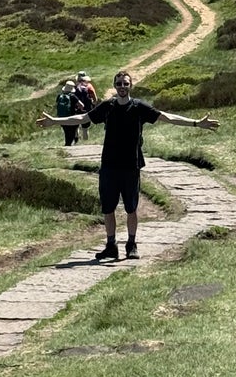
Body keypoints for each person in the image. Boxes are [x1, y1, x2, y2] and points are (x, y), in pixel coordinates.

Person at [38, 68, 217, 262]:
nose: (122, 86)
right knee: (108, 208)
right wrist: (55, 121)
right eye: (119, 83)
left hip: (131, 166)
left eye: (125, 83)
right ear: (115, 86)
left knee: (131, 208)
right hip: (108, 166)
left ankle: (131, 244)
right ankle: (110, 245)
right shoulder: (108, 106)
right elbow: (82, 118)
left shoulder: (139, 107)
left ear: (130, 85)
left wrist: (197, 123)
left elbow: (167, 117)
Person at [54, 79, 82, 147]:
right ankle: (70, 144)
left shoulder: (59, 96)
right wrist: (78, 109)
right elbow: (81, 105)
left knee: (66, 132)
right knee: (72, 131)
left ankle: (67, 144)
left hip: (62, 117)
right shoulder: (73, 96)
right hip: (71, 116)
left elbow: (57, 105)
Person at [73, 70, 98, 140]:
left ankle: (76, 139)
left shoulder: (75, 87)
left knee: (76, 126)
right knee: (85, 128)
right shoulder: (89, 86)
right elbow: (95, 99)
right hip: (87, 109)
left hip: (76, 109)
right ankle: (85, 142)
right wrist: (93, 104)